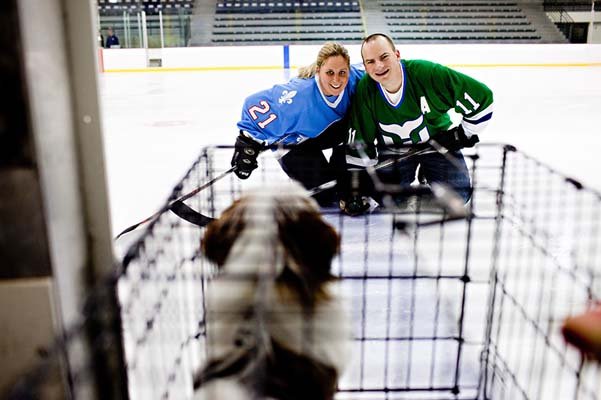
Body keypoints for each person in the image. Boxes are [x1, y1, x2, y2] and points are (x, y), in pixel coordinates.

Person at [340, 33, 493, 215]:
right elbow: (360, 139)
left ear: (397, 55)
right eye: (370, 62)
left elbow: (482, 97)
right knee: (386, 199)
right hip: (394, 153)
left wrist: (463, 133)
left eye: (384, 57)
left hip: (436, 146)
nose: (379, 66)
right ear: (365, 66)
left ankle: (428, 172)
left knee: (458, 196)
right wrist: (357, 185)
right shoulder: (366, 90)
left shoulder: (426, 73)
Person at [230, 42, 364, 206]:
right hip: (294, 144)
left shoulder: (357, 79)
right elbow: (253, 103)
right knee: (324, 195)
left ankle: (341, 168)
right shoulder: (299, 98)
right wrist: (247, 143)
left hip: (328, 133)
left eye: (342, 72)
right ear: (318, 70)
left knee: (349, 175)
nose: (336, 79)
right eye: (330, 72)